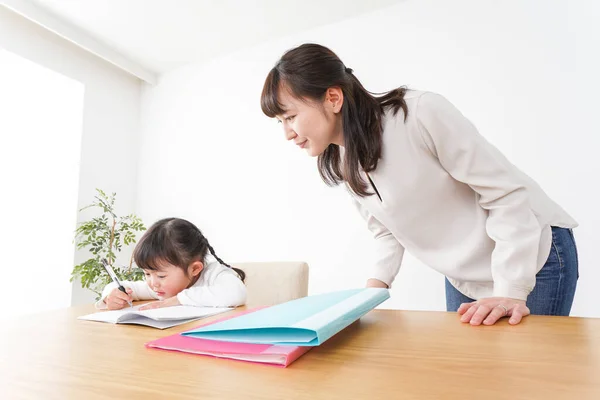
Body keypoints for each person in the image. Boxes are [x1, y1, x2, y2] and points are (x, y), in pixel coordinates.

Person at [260, 43, 578, 326]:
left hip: (532, 255)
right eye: (280, 122)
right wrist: (365, 298)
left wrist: (511, 290)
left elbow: (506, 195)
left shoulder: (420, 113)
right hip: (465, 277)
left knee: (523, 383)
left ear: (333, 97)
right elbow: (386, 230)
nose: (287, 133)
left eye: (290, 116)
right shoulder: (345, 160)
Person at [96, 217, 246, 310]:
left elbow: (236, 293)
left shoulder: (214, 274)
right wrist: (112, 296)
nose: (152, 283)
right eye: (147, 273)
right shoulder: (159, 288)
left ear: (195, 269)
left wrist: (179, 299)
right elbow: (124, 287)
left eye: (161, 276)